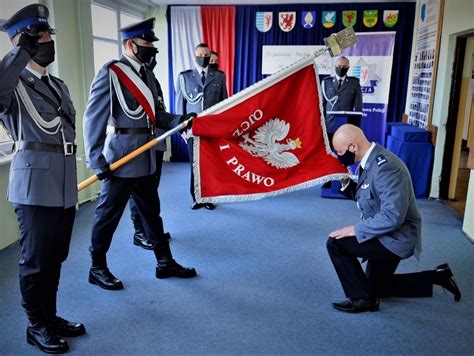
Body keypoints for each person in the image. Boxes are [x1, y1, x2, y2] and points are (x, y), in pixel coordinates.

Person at [83, 18, 197, 292]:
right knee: (107, 216)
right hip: (120, 159)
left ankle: (164, 262)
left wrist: (182, 118)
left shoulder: (147, 75)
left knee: (152, 213)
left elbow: (156, 116)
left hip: (145, 156)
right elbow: (93, 118)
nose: (151, 50)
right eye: (147, 45)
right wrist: (96, 160)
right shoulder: (112, 73)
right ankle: (97, 267)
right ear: (131, 44)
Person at [0, 4, 85, 353]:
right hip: (34, 186)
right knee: (35, 260)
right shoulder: (12, 85)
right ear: (26, 41)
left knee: (55, 256)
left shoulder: (57, 85)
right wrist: (18, 50)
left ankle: (49, 316)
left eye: (49, 34)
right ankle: (35, 325)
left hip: (63, 182)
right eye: (42, 35)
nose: (49, 41)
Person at [326, 124, 461, 313]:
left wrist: (355, 230)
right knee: (376, 287)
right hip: (384, 232)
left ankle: (363, 300)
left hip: (396, 238)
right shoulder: (370, 161)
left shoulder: (386, 167)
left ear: (353, 147)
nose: (340, 157)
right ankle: (438, 277)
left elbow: (392, 216)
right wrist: (344, 181)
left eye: (340, 152)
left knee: (335, 244)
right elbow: (367, 195)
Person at [176, 43, 228, 210]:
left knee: (210, 164)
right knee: (194, 165)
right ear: (194, 55)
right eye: (200, 55)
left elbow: (224, 103)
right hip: (193, 129)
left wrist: (222, 128)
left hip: (212, 130)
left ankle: (209, 197)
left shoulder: (219, 76)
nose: (203, 58)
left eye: (206, 55)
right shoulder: (185, 77)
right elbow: (180, 105)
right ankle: (196, 197)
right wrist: (182, 129)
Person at [321, 56, 362, 139]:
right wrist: (322, 123)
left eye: (344, 67)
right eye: (339, 66)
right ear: (335, 66)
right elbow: (321, 104)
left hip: (347, 125)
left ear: (348, 68)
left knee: (344, 150)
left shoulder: (354, 83)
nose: (341, 68)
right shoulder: (326, 82)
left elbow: (358, 106)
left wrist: (355, 126)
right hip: (329, 124)